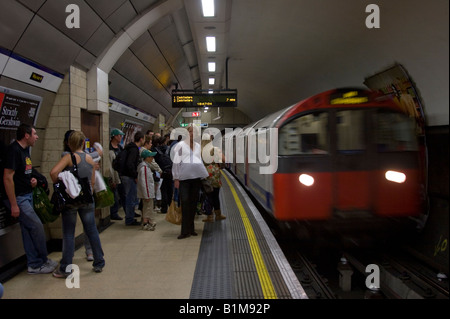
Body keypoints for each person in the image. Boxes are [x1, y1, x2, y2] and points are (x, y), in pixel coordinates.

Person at [3, 124, 58, 274]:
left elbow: (24, 172)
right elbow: (7, 178)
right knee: (37, 226)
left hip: (27, 194)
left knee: (28, 230)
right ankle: (42, 259)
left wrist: (32, 181)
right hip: (19, 198)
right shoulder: (14, 151)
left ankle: (33, 263)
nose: (37, 136)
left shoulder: (25, 150)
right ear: (26, 135)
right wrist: (14, 204)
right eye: (34, 134)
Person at [50, 130, 105, 277]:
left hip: (71, 200)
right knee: (92, 230)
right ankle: (99, 262)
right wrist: (88, 192)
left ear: (70, 143)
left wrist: (62, 183)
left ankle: (65, 268)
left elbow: (53, 172)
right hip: (87, 199)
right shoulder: (90, 159)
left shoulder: (68, 157)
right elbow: (92, 181)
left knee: (68, 233)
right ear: (83, 143)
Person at [172, 124, 209, 239]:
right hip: (184, 179)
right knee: (185, 203)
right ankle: (184, 230)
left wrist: (204, 175)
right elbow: (176, 163)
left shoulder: (198, 146)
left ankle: (191, 228)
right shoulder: (180, 146)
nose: (193, 134)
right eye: (191, 131)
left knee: (193, 203)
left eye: (195, 132)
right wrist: (176, 178)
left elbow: (199, 161)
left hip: (196, 179)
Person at [120, 131, 145, 226]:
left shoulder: (129, 147)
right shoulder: (134, 149)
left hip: (125, 175)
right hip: (129, 177)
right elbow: (130, 164)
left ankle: (130, 216)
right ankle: (129, 219)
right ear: (141, 139)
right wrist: (135, 175)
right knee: (130, 198)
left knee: (129, 197)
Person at [201, 135, 226, 222]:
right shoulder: (215, 149)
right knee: (215, 194)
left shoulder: (200, 150)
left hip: (204, 172)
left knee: (208, 195)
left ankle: (209, 216)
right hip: (214, 173)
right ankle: (218, 215)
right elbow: (224, 159)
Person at [137, 149, 158, 231]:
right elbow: (144, 182)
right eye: (151, 157)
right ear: (147, 158)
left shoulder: (147, 167)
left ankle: (148, 221)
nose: (152, 158)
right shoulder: (144, 168)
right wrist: (146, 195)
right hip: (147, 193)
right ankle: (146, 223)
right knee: (147, 208)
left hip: (148, 192)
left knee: (147, 207)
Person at [108, 129, 125, 221]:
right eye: (119, 136)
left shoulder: (120, 147)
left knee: (123, 193)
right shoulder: (110, 150)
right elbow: (110, 166)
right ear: (114, 136)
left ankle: (125, 210)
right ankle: (113, 212)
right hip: (114, 175)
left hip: (120, 174)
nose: (121, 137)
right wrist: (112, 179)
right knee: (114, 194)